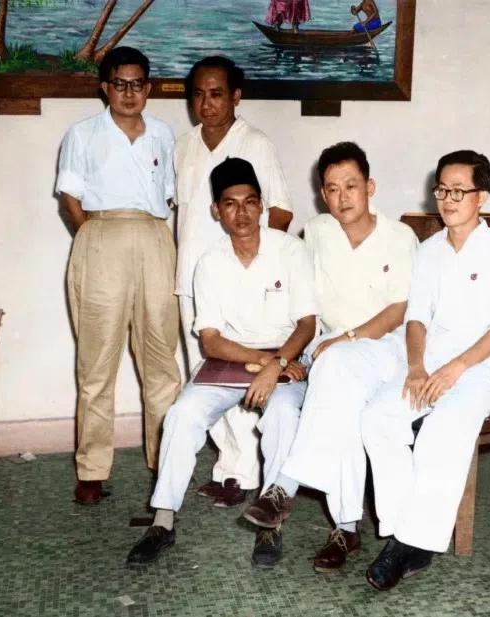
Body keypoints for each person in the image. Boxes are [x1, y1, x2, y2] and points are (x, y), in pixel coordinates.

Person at [126, 158, 318, 567]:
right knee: (181, 414)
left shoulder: (290, 250)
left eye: (250, 202)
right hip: (236, 360)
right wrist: (265, 362)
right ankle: (162, 521)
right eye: (230, 204)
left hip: (287, 359)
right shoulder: (210, 261)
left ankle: (271, 525)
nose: (242, 213)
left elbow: (307, 323)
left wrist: (281, 361)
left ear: (262, 205)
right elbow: (211, 341)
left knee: (283, 413)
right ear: (216, 210)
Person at [244, 142, 419, 572]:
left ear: (370, 187)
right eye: (333, 189)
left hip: (386, 347)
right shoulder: (317, 231)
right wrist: (289, 355)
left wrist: (347, 339)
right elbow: (303, 303)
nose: (343, 197)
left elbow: (399, 310)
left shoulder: (400, 236)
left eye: (352, 186)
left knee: (336, 370)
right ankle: (346, 528)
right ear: (324, 195)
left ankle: (285, 484)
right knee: (339, 397)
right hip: (328, 349)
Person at [360, 151, 490, 591]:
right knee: (378, 416)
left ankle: (408, 547)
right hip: (430, 362)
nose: (448, 199)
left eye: (459, 190)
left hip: (485, 367)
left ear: (482, 196)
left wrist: (456, 369)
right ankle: (404, 532)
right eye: (442, 190)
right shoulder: (429, 249)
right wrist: (415, 367)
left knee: (441, 429)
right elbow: (415, 317)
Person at [57, 47, 181, 506]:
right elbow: (70, 198)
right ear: (105, 87)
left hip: (152, 237)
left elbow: (168, 198)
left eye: (137, 84)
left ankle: (165, 463)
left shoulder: (164, 135)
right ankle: (91, 470)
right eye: (119, 83)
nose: (129, 93)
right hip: (101, 235)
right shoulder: (83, 133)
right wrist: (95, 237)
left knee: (160, 359)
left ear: (147, 88)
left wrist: (149, 236)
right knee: (96, 360)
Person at [175, 56, 294, 509]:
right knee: (205, 377)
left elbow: (279, 212)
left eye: (217, 93)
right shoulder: (183, 146)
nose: (206, 103)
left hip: (243, 281)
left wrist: (262, 273)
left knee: (245, 373)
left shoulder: (255, 143)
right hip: (191, 278)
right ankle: (229, 469)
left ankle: (246, 474)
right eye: (199, 94)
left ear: (236, 97)